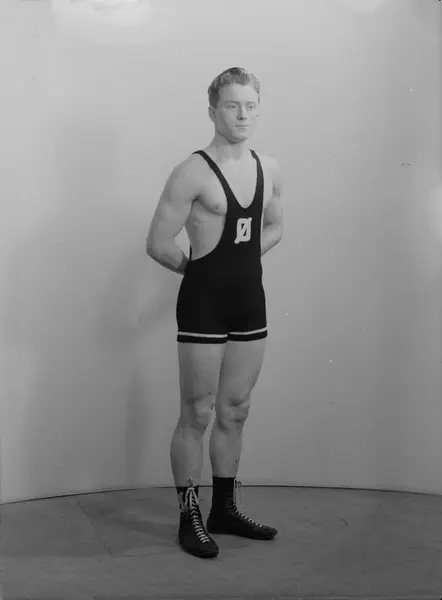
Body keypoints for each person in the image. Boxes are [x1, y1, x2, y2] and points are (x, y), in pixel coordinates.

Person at [146, 67, 283, 559]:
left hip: (249, 302)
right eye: (232, 106)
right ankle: (190, 517)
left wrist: (238, 264)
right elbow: (158, 243)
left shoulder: (270, 167)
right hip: (203, 305)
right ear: (212, 111)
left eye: (251, 106)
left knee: (236, 409)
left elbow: (275, 226)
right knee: (197, 411)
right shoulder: (193, 172)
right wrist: (202, 272)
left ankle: (224, 509)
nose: (243, 115)